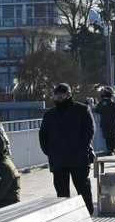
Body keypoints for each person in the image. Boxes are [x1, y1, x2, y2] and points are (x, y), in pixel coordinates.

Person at [39, 82, 96, 214]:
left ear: (69, 95)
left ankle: (88, 214)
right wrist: (48, 151)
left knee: (83, 188)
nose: (59, 97)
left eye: (62, 94)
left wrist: (83, 147)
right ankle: (65, 216)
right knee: (61, 193)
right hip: (58, 158)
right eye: (57, 94)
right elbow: (43, 134)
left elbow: (90, 129)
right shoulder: (49, 115)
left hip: (78, 157)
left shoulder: (82, 109)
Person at [95, 87, 115, 155]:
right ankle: (113, 149)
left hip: (104, 122)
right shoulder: (113, 103)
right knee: (113, 136)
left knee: (107, 137)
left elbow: (97, 110)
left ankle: (109, 149)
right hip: (113, 122)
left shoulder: (100, 103)